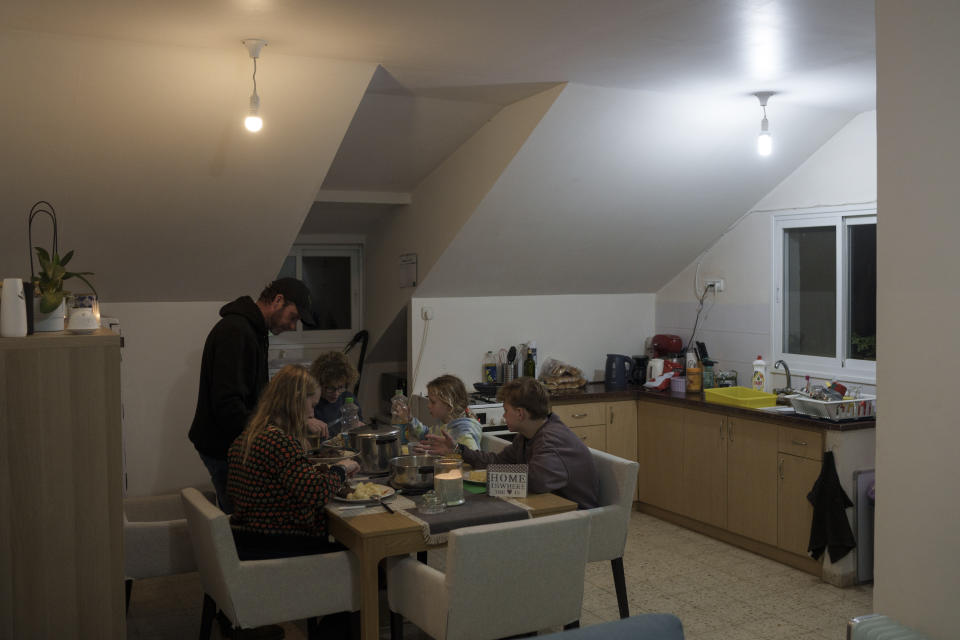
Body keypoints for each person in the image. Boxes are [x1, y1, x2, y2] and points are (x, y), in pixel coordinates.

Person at [188, 277, 325, 513]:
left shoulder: (255, 331)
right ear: (278, 300)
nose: (293, 326)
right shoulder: (237, 331)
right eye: (293, 317)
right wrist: (270, 442)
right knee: (244, 522)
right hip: (225, 447)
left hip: (233, 443)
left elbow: (258, 398)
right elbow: (229, 405)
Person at [227, 364, 360, 560]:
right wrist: (342, 468)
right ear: (296, 400)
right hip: (280, 545)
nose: (313, 414)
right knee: (365, 555)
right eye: (312, 405)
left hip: (248, 541)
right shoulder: (279, 442)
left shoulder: (248, 436)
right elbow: (317, 493)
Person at [418, 377, 599, 509]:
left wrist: (491, 476)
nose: (503, 416)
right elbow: (496, 460)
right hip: (552, 508)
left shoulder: (551, 440)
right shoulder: (527, 435)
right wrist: (457, 450)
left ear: (520, 413)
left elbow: (536, 481)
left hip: (578, 518)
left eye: (506, 410)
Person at [400, 374, 482, 451]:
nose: (428, 405)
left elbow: (473, 459)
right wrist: (410, 419)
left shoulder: (463, 433)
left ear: (449, 406)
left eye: (433, 402)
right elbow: (426, 435)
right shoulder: (444, 425)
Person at [309, 351, 362, 437]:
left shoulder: (348, 398)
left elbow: (359, 425)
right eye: (330, 388)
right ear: (319, 383)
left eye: (341, 387)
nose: (336, 394)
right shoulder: (311, 402)